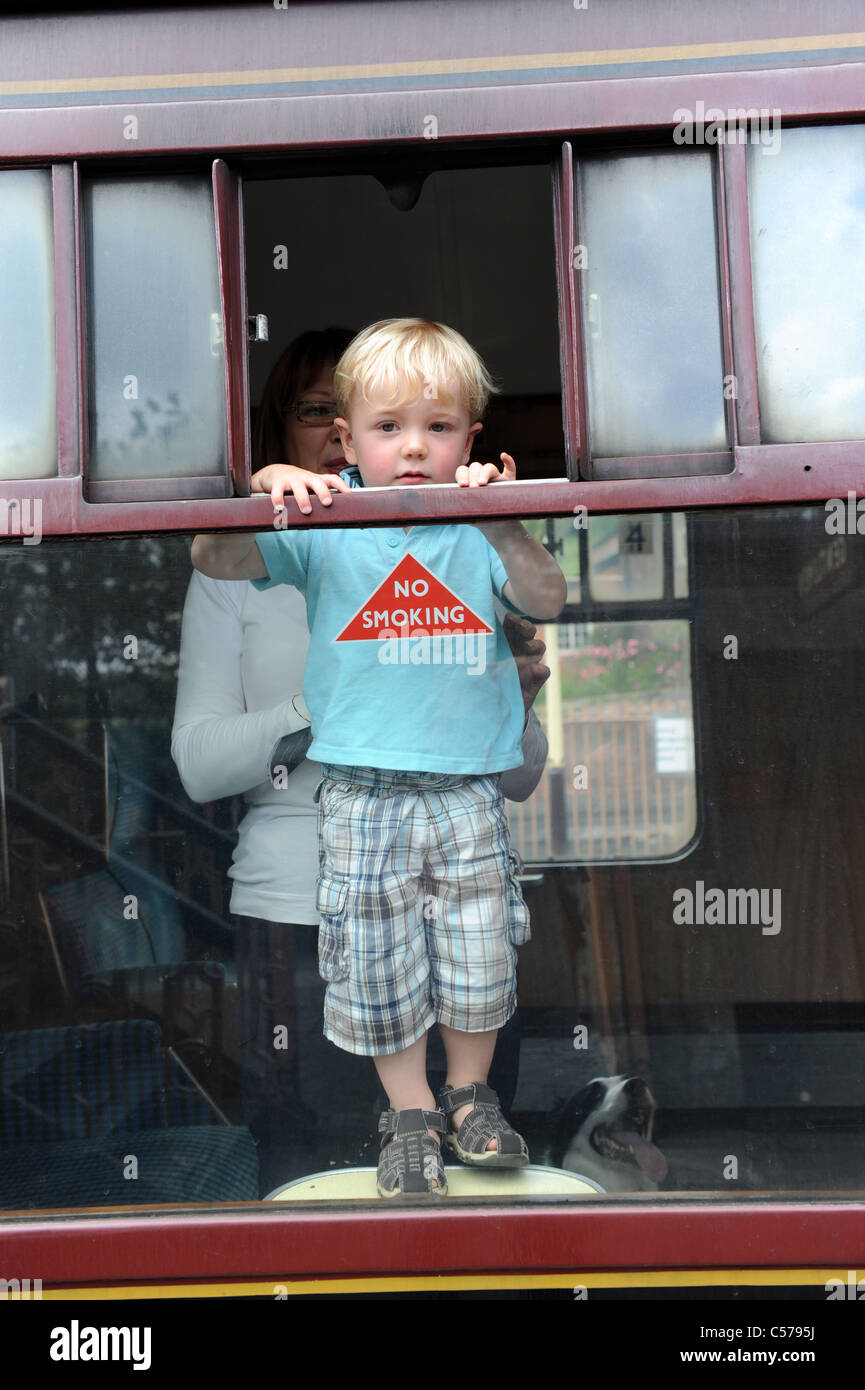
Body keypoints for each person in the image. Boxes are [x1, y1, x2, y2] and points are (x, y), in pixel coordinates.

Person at [191, 319, 566, 1197]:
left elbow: (547, 595)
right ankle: (408, 1114)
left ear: (472, 441)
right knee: (376, 960)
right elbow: (211, 556)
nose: (412, 449)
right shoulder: (326, 525)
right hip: (356, 789)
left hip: (466, 785)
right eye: (388, 427)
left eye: (437, 429)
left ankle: (471, 1098)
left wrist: (501, 520)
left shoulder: (476, 528)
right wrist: (267, 492)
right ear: (345, 440)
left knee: (478, 953)